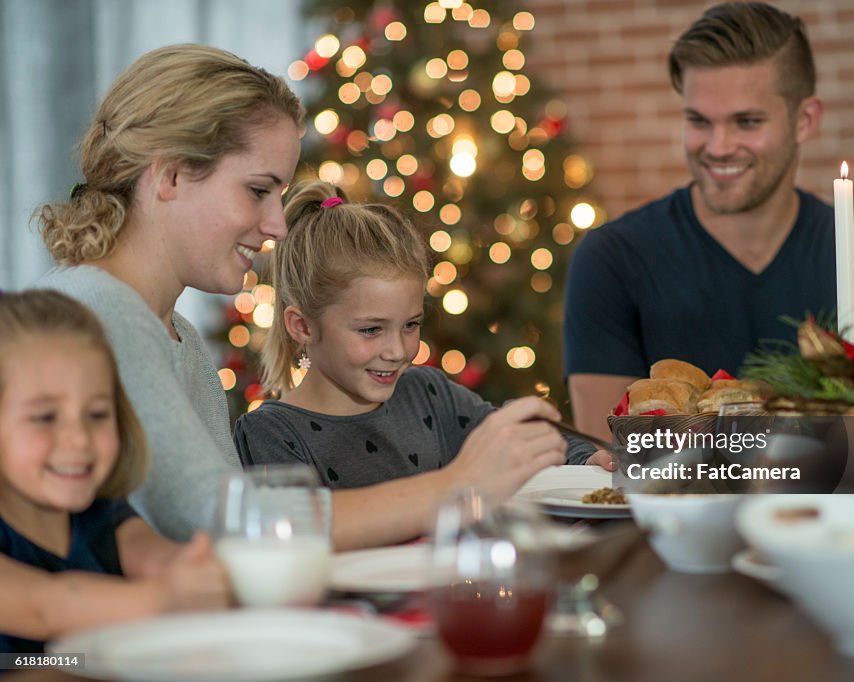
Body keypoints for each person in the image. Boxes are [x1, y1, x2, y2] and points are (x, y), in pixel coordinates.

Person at [35, 43, 570, 551]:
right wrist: (457, 486)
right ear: (171, 174)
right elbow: (223, 521)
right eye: (257, 191)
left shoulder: (181, 339)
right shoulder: (96, 316)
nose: (276, 226)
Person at [563, 2, 854, 439]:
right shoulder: (613, 260)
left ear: (805, 120)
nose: (719, 147)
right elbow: (607, 461)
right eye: (699, 121)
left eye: (746, 121)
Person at [234, 182, 605, 492]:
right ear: (302, 325)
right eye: (370, 330)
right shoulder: (270, 434)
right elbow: (301, 542)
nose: (398, 350)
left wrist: (588, 459)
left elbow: (517, 437)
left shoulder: (428, 393)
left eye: (410, 325)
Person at [0, 290, 229, 654]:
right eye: (45, 417)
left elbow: (156, 557)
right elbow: (44, 608)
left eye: (97, 414)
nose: (78, 439)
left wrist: (195, 566)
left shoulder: (100, 514)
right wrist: (165, 598)